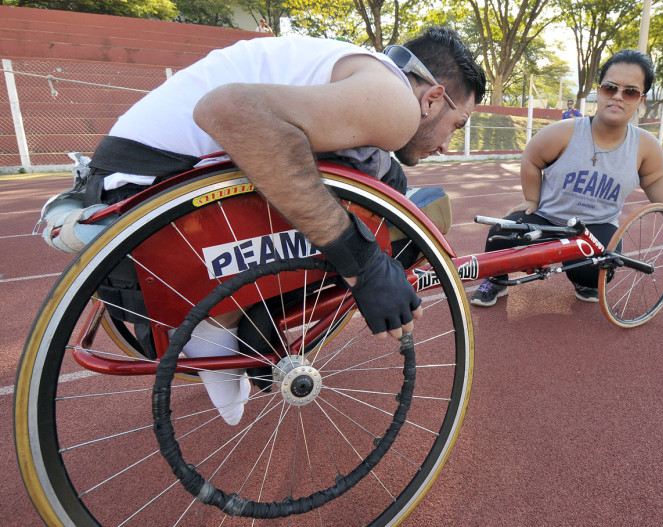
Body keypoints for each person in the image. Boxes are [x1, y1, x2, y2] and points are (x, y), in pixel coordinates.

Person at [81, 27, 486, 423]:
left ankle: (247, 316)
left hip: (121, 185)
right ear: (433, 98)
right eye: (457, 124)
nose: (447, 145)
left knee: (385, 182)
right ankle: (229, 322)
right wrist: (363, 264)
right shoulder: (395, 102)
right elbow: (228, 110)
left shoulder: (348, 68)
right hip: (149, 200)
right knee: (398, 224)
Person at [471, 48, 663, 308]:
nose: (618, 97)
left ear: (641, 100)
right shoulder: (565, 132)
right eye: (611, 88)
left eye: (630, 92)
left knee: (601, 266)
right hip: (547, 218)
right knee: (500, 235)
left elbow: (656, 179)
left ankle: (583, 279)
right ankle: (496, 281)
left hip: (594, 226)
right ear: (599, 91)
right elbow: (531, 158)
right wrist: (532, 198)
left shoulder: (645, 146)